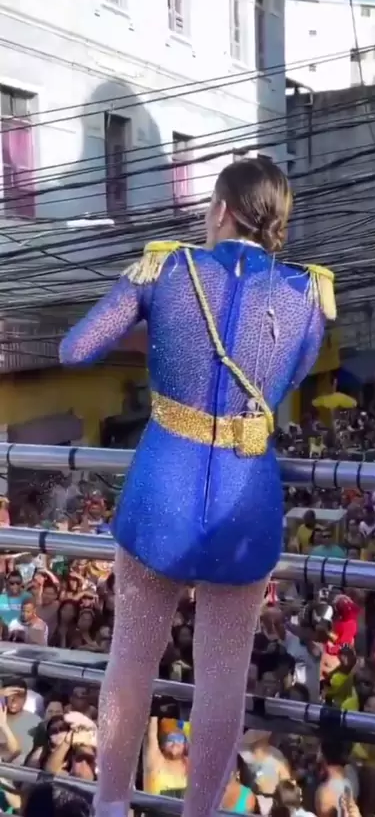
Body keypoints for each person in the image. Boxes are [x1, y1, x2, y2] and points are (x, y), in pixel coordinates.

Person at [59, 157, 335, 817]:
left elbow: (75, 350)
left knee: (132, 657)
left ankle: (110, 803)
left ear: (220, 210)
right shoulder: (306, 294)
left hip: (160, 498)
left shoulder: (165, 269)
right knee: (222, 676)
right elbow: (291, 375)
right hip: (245, 501)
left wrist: (144, 303)